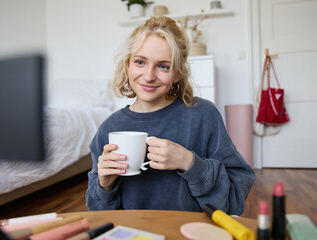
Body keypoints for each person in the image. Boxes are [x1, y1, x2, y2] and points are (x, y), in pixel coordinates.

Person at [85, 16, 255, 215]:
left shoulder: (203, 116)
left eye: (163, 66)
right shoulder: (109, 129)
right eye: (140, 62)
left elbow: (235, 198)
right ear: (127, 65)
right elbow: (98, 213)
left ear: (177, 73)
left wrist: (190, 163)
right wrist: (105, 185)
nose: (149, 76)